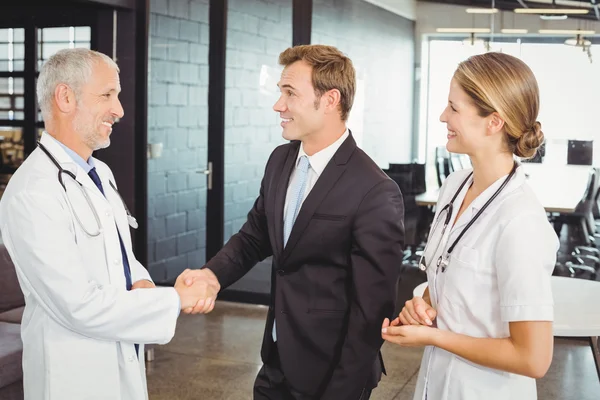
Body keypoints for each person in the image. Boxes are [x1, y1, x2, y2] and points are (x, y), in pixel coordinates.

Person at [181, 44, 405, 399]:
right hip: (275, 361)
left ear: (330, 100)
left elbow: (371, 310)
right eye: (279, 93)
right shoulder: (280, 160)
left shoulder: (375, 190)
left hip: (332, 375)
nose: (278, 106)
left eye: (290, 94)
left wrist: (343, 391)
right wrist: (211, 276)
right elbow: (255, 236)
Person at [0, 48, 219, 400]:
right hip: (70, 375)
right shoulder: (32, 192)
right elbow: (78, 305)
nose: (118, 110)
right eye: (107, 95)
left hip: (119, 354)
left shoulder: (99, 172)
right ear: (65, 97)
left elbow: (117, 254)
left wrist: (143, 281)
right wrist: (174, 299)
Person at [381, 52, 558, 400]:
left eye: (454, 108)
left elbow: (534, 359)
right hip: (436, 384)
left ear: (493, 122)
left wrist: (433, 336)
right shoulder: (454, 186)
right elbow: (451, 278)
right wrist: (425, 305)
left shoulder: (521, 221)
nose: (443, 116)